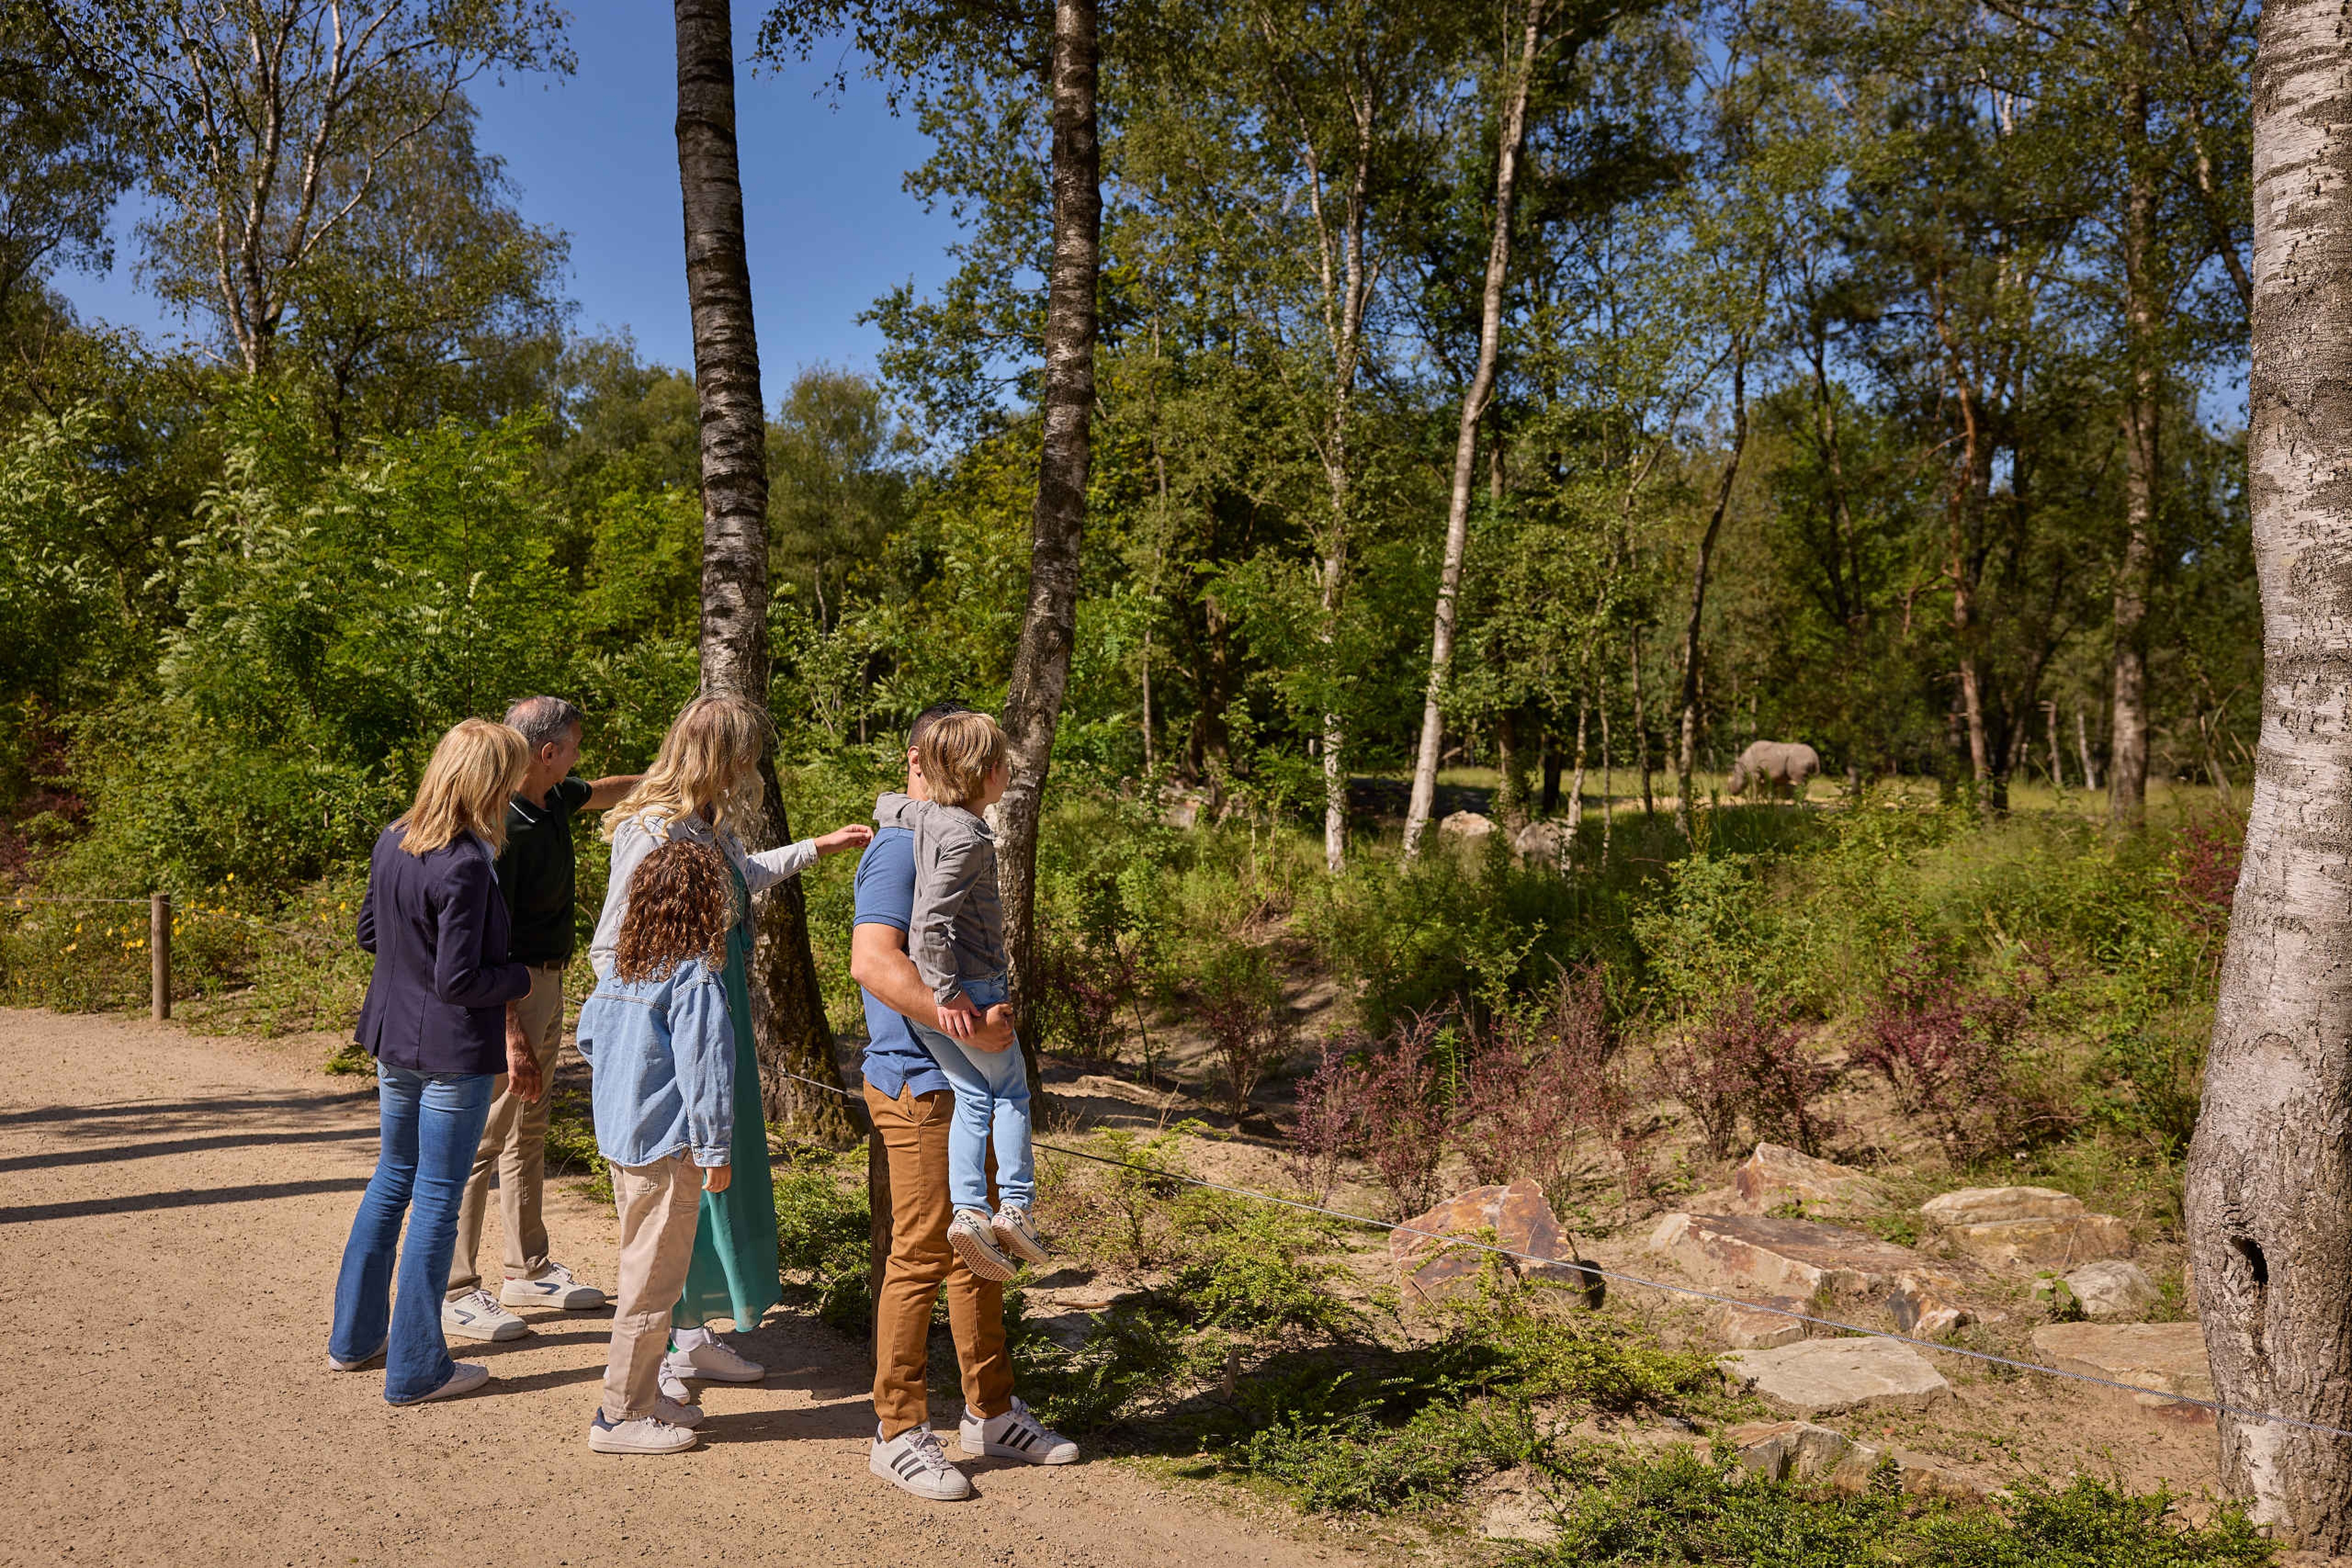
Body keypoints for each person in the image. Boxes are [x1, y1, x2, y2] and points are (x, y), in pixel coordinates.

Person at [589, 693, 870, 1394]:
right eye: (745, 755)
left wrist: (818, 847)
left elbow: (741, 880)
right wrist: (653, 1030)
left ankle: (691, 1332)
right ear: (720, 755)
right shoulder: (653, 830)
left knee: (711, 1178)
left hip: (718, 1014)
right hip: (678, 1026)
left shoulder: (707, 823)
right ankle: (662, 1350)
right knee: (680, 1174)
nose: (752, 769)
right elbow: (613, 945)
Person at [851, 702, 1078, 1502]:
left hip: (966, 1082)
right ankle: (898, 1432)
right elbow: (874, 963)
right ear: (918, 758)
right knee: (919, 1256)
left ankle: (991, 1412)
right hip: (917, 1083)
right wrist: (973, 1025)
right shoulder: (896, 848)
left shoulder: (951, 832)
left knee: (977, 1251)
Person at [328, 718, 535, 1406]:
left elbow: (369, 933)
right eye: (510, 775)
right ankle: (417, 1368)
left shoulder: (394, 836)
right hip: (451, 1051)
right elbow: (459, 980)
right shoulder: (468, 860)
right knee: (438, 1200)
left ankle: (355, 1340)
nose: (516, 788)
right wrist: (519, 977)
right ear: (489, 780)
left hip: (395, 1040)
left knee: (393, 1179)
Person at [443, 695, 646, 1343]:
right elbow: (486, 944)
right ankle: (455, 1287)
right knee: (484, 1136)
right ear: (548, 751)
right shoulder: (501, 826)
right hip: (509, 989)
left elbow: (605, 790)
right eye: (575, 746)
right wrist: (510, 1033)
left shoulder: (554, 795)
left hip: (549, 980)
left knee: (528, 1129)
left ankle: (526, 1268)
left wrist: (667, 776)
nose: (580, 757)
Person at [573, 839, 742, 1455]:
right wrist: (715, 1149)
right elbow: (707, 1071)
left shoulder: (623, 968)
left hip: (624, 1143)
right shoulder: (694, 976)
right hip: (669, 1149)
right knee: (651, 1284)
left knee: (646, 1271)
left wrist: (626, 1093)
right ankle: (620, 1414)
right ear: (705, 905)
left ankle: (644, 1393)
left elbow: (589, 1040)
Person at [876, 710, 1046, 1281]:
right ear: (990, 773)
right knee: (1012, 1093)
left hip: (928, 1003)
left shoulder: (926, 815)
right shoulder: (969, 839)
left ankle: (970, 1211)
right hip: (969, 993)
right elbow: (929, 924)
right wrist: (951, 996)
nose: (1008, 773)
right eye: (1004, 764)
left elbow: (888, 805)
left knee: (974, 1096)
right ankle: (1016, 1207)